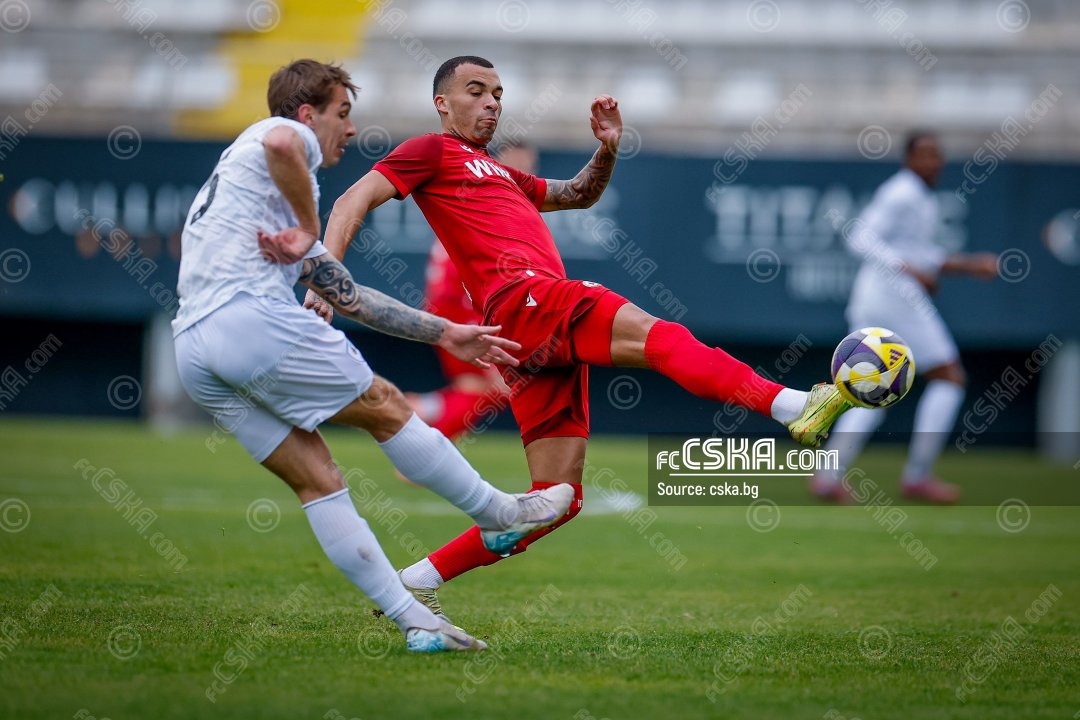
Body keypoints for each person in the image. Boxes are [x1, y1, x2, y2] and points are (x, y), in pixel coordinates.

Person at [270, 55, 851, 620]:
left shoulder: (500, 171)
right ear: (442, 103)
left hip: (524, 332)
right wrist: (326, 276)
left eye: (498, 94)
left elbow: (577, 194)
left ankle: (414, 583)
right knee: (659, 336)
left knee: (555, 500)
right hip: (527, 299)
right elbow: (352, 199)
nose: (492, 103)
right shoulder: (430, 150)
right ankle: (793, 405)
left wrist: (607, 149)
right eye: (476, 91)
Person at [173, 59, 574, 654]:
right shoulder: (284, 138)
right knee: (386, 407)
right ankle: (499, 512)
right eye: (342, 113)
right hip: (250, 319)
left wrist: (445, 333)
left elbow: (349, 296)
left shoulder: (245, 179)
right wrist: (308, 228)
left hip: (193, 345)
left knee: (319, 480)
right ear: (308, 112)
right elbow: (285, 144)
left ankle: (418, 622)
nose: (350, 129)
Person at [811, 131, 998, 504]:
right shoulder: (902, 192)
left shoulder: (919, 197)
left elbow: (921, 254)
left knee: (869, 389)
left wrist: (968, 265)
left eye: (937, 155)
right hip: (893, 298)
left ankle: (828, 477)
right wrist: (907, 269)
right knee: (948, 376)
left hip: (875, 297)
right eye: (924, 155)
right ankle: (917, 476)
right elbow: (859, 237)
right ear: (908, 159)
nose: (933, 162)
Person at [404, 141, 537, 440]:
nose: (524, 170)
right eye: (517, 162)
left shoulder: (486, 196)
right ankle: (423, 439)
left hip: (454, 304)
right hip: (458, 307)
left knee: (485, 387)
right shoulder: (491, 200)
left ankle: (422, 411)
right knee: (493, 386)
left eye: (529, 164)